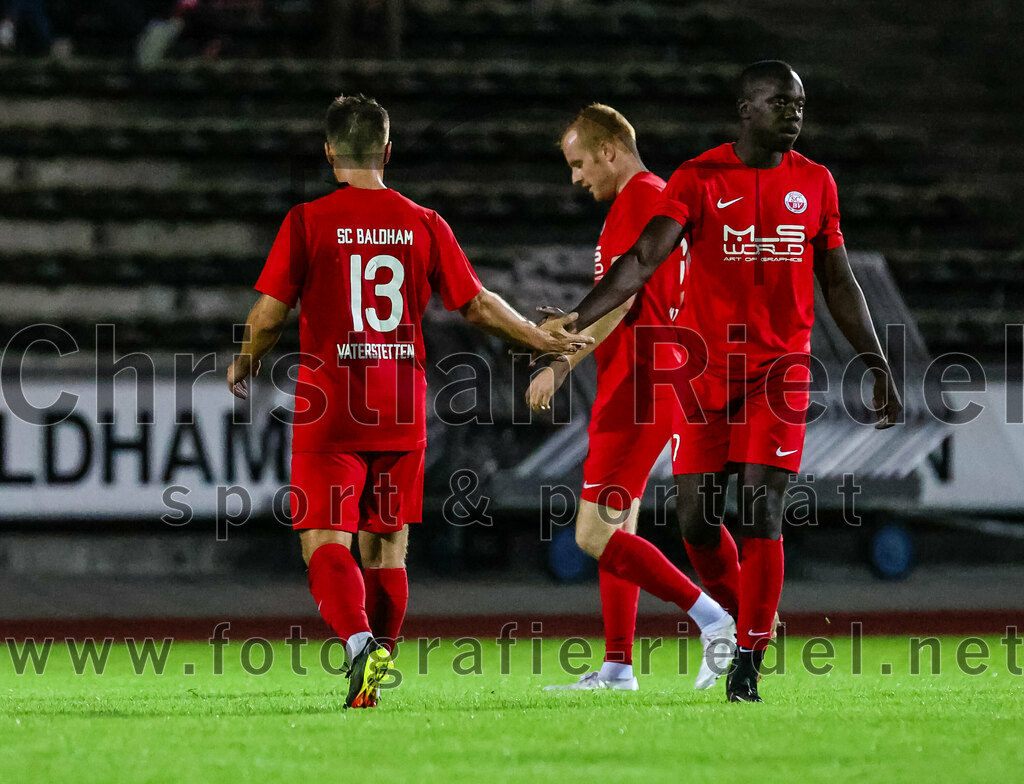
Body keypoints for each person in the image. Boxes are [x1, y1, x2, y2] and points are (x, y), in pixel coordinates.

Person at [542, 61, 903, 702]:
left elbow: (839, 280)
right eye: (779, 102)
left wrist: (875, 361)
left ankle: (747, 659)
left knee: (761, 508)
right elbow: (642, 261)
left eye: (798, 103)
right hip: (704, 375)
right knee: (698, 525)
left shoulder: (816, 182)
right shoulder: (697, 178)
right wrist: (575, 320)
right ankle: (722, 625)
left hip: (777, 372)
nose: (793, 113)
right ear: (746, 109)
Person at [227, 94, 590, 709]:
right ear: (387, 152)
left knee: (324, 540)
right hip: (402, 405)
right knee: (387, 548)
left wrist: (245, 360)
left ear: (329, 153)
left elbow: (267, 315)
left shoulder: (308, 220)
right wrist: (536, 336)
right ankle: (373, 681)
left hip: (332, 406)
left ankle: (359, 645)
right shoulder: (423, 222)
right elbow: (477, 304)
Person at [528, 104, 736, 691]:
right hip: (647, 379)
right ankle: (619, 667)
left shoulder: (641, 198)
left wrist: (560, 364)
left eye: (579, 164)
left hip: (640, 384)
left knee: (592, 535)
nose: (576, 178)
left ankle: (715, 619)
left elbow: (620, 301)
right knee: (619, 528)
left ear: (610, 151)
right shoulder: (650, 196)